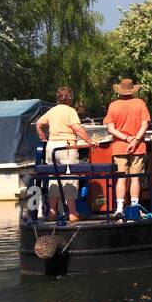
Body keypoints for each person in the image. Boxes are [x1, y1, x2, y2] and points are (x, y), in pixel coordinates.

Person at [36, 87, 97, 221]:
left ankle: (52, 212)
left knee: (54, 177)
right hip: (66, 146)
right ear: (70, 98)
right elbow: (76, 128)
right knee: (70, 177)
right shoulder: (70, 111)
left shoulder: (52, 111)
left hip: (51, 147)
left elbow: (39, 124)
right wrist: (90, 141)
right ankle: (73, 213)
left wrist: (42, 138)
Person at [104, 78, 152, 218]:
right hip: (138, 147)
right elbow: (145, 125)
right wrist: (135, 140)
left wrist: (126, 139)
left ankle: (119, 209)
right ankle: (135, 207)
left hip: (119, 147)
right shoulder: (140, 103)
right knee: (135, 178)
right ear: (132, 90)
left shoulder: (113, 106)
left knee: (121, 178)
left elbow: (110, 129)